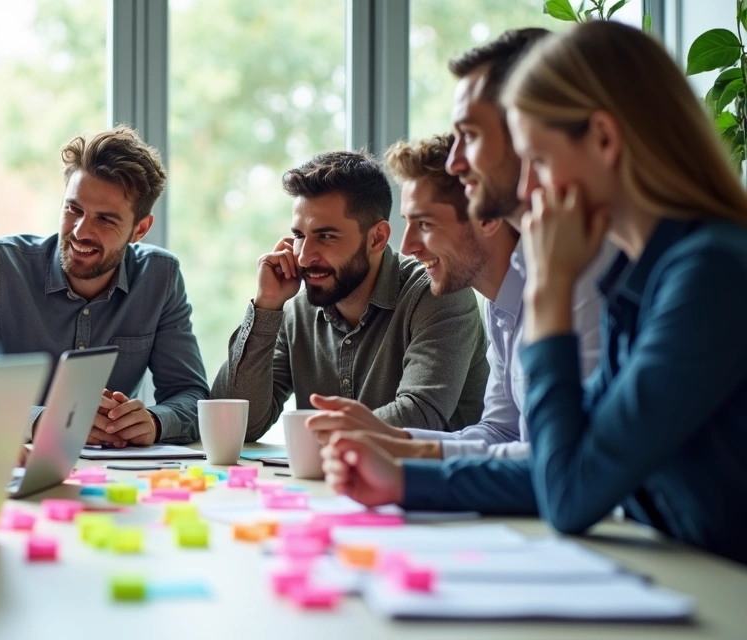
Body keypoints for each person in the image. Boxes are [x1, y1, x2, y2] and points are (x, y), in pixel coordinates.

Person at [322, 20, 747, 566]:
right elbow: (566, 460)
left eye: (538, 160)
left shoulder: (708, 271)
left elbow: (570, 492)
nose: (527, 190)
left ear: (603, 139)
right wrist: (403, 479)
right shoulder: (653, 272)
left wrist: (548, 290)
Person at [306, 29, 615, 461]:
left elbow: (566, 461)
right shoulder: (502, 298)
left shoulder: (579, 277)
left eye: (425, 224)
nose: (408, 246)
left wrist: (408, 465)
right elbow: (503, 431)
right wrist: (393, 444)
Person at [0, 126, 209, 447]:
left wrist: (156, 421)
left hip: (113, 476)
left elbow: (192, 396)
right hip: (4, 468)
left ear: (140, 229)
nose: (80, 231)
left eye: (105, 220)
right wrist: (44, 422)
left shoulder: (160, 276)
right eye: (73, 209)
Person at [210, 150, 488, 442]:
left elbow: (418, 418)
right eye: (300, 236)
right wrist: (266, 305)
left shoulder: (438, 294)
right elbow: (232, 426)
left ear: (377, 238)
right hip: (328, 485)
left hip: (428, 485)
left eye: (326, 236)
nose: (303, 258)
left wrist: (312, 439)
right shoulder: (296, 311)